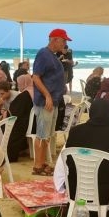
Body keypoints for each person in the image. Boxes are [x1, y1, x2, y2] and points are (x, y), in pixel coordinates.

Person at [55, 99, 109, 201]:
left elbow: (69, 163)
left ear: (91, 112)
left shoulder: (75, 132)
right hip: (107, 195)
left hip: (76, 190)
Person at [31, 28, 68, 176]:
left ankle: (42, 162)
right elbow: (35, 77)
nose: (65, 44)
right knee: (42, 134)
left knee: (47, 134)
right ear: (55, 39)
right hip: (45, 102)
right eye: (63, 40)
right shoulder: (44, 54)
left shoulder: (52, 56)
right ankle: (37, 165)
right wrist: (47, 95)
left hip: (53, 101)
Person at [4, 75, 34, 162]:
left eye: (19, 83)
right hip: (31, 121)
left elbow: (15, 112)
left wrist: (5, 114)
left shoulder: (25, 95)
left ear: (24, 83)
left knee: (4, 127)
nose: (18, 85)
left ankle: (8, 155)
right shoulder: (33, 91)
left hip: (24, 122)